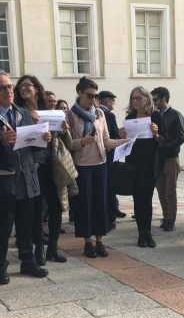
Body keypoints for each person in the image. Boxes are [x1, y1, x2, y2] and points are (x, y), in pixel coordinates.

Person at [0, 70, 50, 284]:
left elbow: (35, 151)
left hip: (27, 178)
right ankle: (0, 267)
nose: (8, 91)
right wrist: (0, 141)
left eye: (10, 86)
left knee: (27, 224)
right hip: (2, 181)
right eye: (2, 88)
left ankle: (28, 261)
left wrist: (44, 139)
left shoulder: (23, 113)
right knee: (1, 227)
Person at [65, 77, 126, 257]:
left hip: (100, 164)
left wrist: (123, 141)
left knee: (101, 203)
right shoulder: (70, 114)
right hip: (82, 166)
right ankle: (87, 242)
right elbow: (68, 144)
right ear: (79, 92)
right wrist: (82, 141)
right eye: (89, 96)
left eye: (95, 96)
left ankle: (100, 240)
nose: (93, 100)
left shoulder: (99, 113)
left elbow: (106, 141)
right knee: (85, 205)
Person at [14, 75, 68, 263]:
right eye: (20, 86)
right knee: (36, 211)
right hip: (31, 166)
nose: (23, 88)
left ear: (37, 88)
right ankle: (38, 251)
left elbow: (58, 136)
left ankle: (52, 247)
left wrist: (61, 129)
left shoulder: (48, 111)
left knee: (55, 207)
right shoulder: (18, 112)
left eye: (28, 85)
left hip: (50, 164)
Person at [124, 87, 160, 247]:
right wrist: (122, 134)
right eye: (133, 98)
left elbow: (164, 140)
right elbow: (127, 139)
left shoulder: (156, 116)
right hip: (133, 162)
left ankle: (148, 233)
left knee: (147, 198)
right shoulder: (130, 117)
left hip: (150, 163)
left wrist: (156, 133)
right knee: (138, 200)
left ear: (147, 99)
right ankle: (141, 233)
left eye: (139, 98)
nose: (136, 101)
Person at [151, 87, 184, 232]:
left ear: (164, 98)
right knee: (161, 190)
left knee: (170, 191)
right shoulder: (155, 115)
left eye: (155, 99)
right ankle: (166, 217)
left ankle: (171, 220)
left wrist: (162, 142)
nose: (153, 102)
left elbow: (180, 138)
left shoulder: (176, 115)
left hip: (171, 157)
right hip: (158, 158)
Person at [99, 90, 126, 223]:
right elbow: (113, 135)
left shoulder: (97, 112)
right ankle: (111, 210)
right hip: (110, 154)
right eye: (112, 100)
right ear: (105, 100)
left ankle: (113, 208)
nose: (113, 103)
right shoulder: (108, 115)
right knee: (111, 183)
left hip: (100, 154)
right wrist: (122, 134)